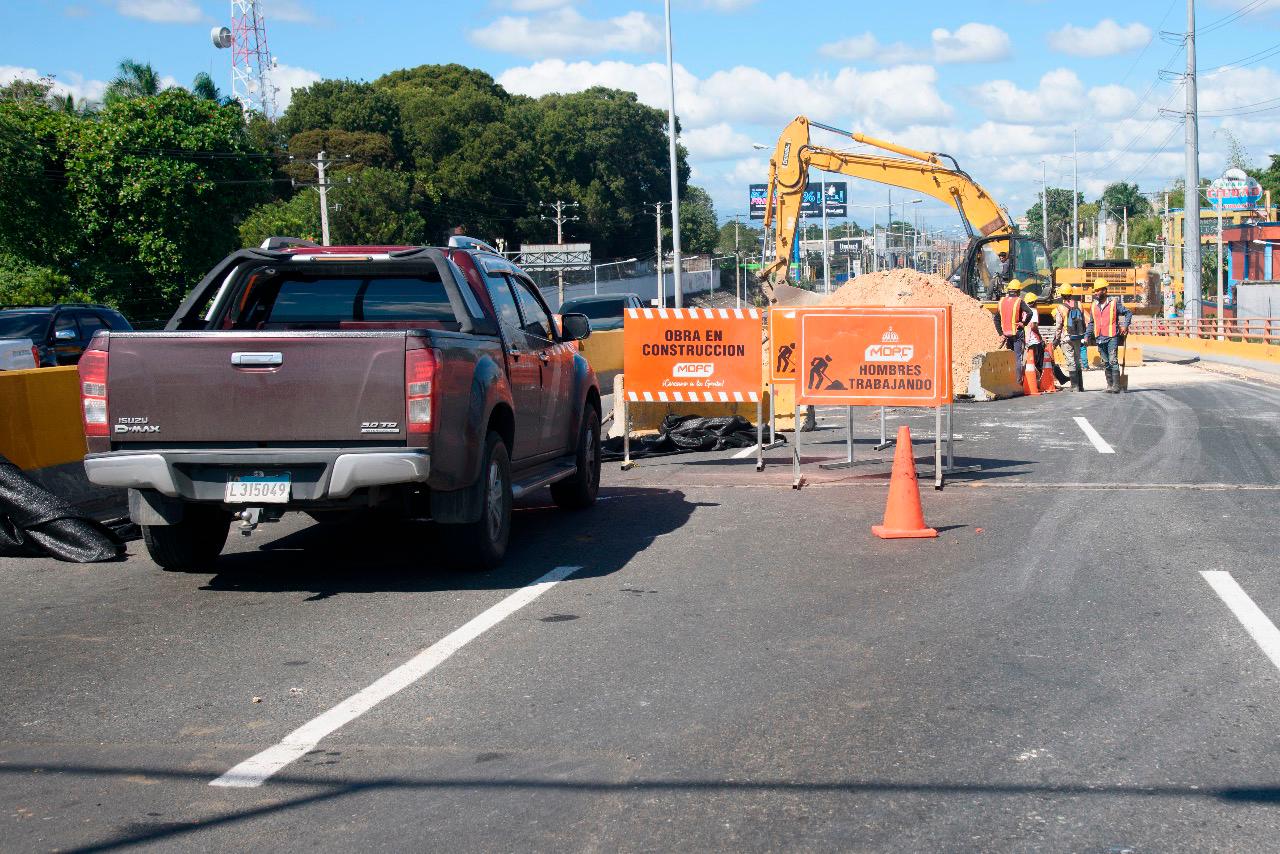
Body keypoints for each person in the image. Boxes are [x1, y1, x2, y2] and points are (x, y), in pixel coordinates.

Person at [1087, 279, 1133, 394]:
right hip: (1099, 337)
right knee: (1106, 362)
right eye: (1095, 291)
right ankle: (1110, 385)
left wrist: (1125, 325)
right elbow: (1091, 323)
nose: (1096, 293)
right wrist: (1087, 335)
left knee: (1113, 360)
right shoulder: (1093, 305)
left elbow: (1128, 313)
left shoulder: (1114, 303)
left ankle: (1116, 386)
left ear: (1104, 291)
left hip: (1112, 336)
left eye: (1098, 290)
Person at [992, 279, 1034, 378]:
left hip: (1006, 334)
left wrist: (1001, 333)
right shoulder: (1019, 301)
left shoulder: (1001, 301)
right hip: (1017, 333)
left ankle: (1009, 379)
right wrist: (1024, 323)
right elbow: (1030, 313)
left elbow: (996, 319)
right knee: (1017, 357)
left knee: (1009, 358)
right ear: (1018, 291)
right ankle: (1018, 381)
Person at [1052, 285, 1088, 392]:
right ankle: (1080, 386)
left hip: (1066, 338)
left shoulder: (1060, 308)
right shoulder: (1079, 304)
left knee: (1070, 360)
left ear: (1062, 294)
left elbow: (1059, 326)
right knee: (1077, 359)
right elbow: (1083, 321)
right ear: (1071, 293)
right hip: (1078, 336)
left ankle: (1074, 386)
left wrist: (1056, 340)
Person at [1023, 293, 1045, 388]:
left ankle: (1030, 382)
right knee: (1038, 363)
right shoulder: (1034, 311)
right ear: (1035, 302)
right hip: (1034, 341)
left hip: (1026, 341)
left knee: (1029, 363)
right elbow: (1033, 326)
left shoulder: (1023, 311)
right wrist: (1040, 336)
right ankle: (1039, 383)